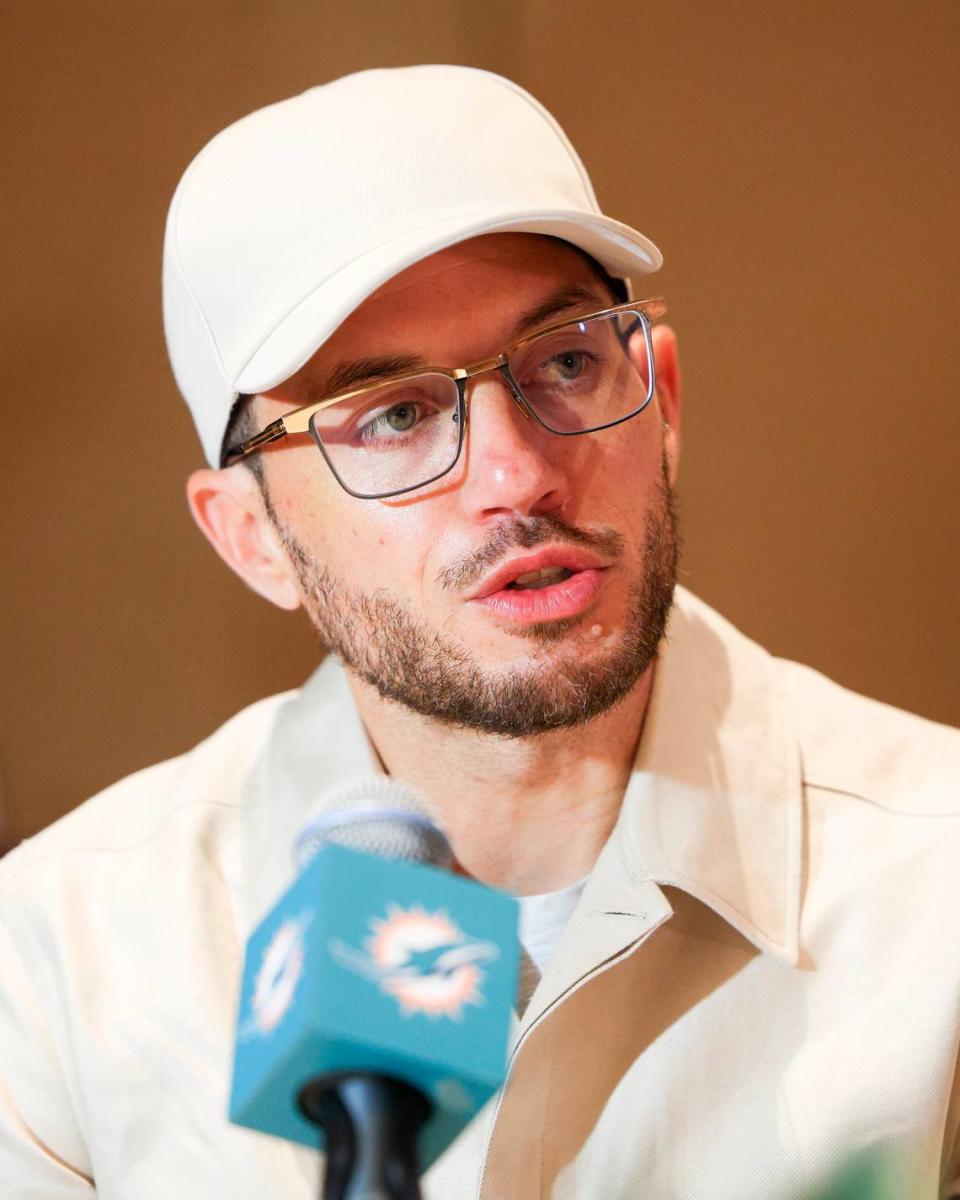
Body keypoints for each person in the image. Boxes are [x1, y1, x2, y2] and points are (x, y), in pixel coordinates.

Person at [0, 64, 958, 1200]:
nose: (518, 475)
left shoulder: (931, 887)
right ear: (251, 538)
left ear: (666, 399)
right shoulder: (62, 961)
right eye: (394, 415)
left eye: (563, 362)